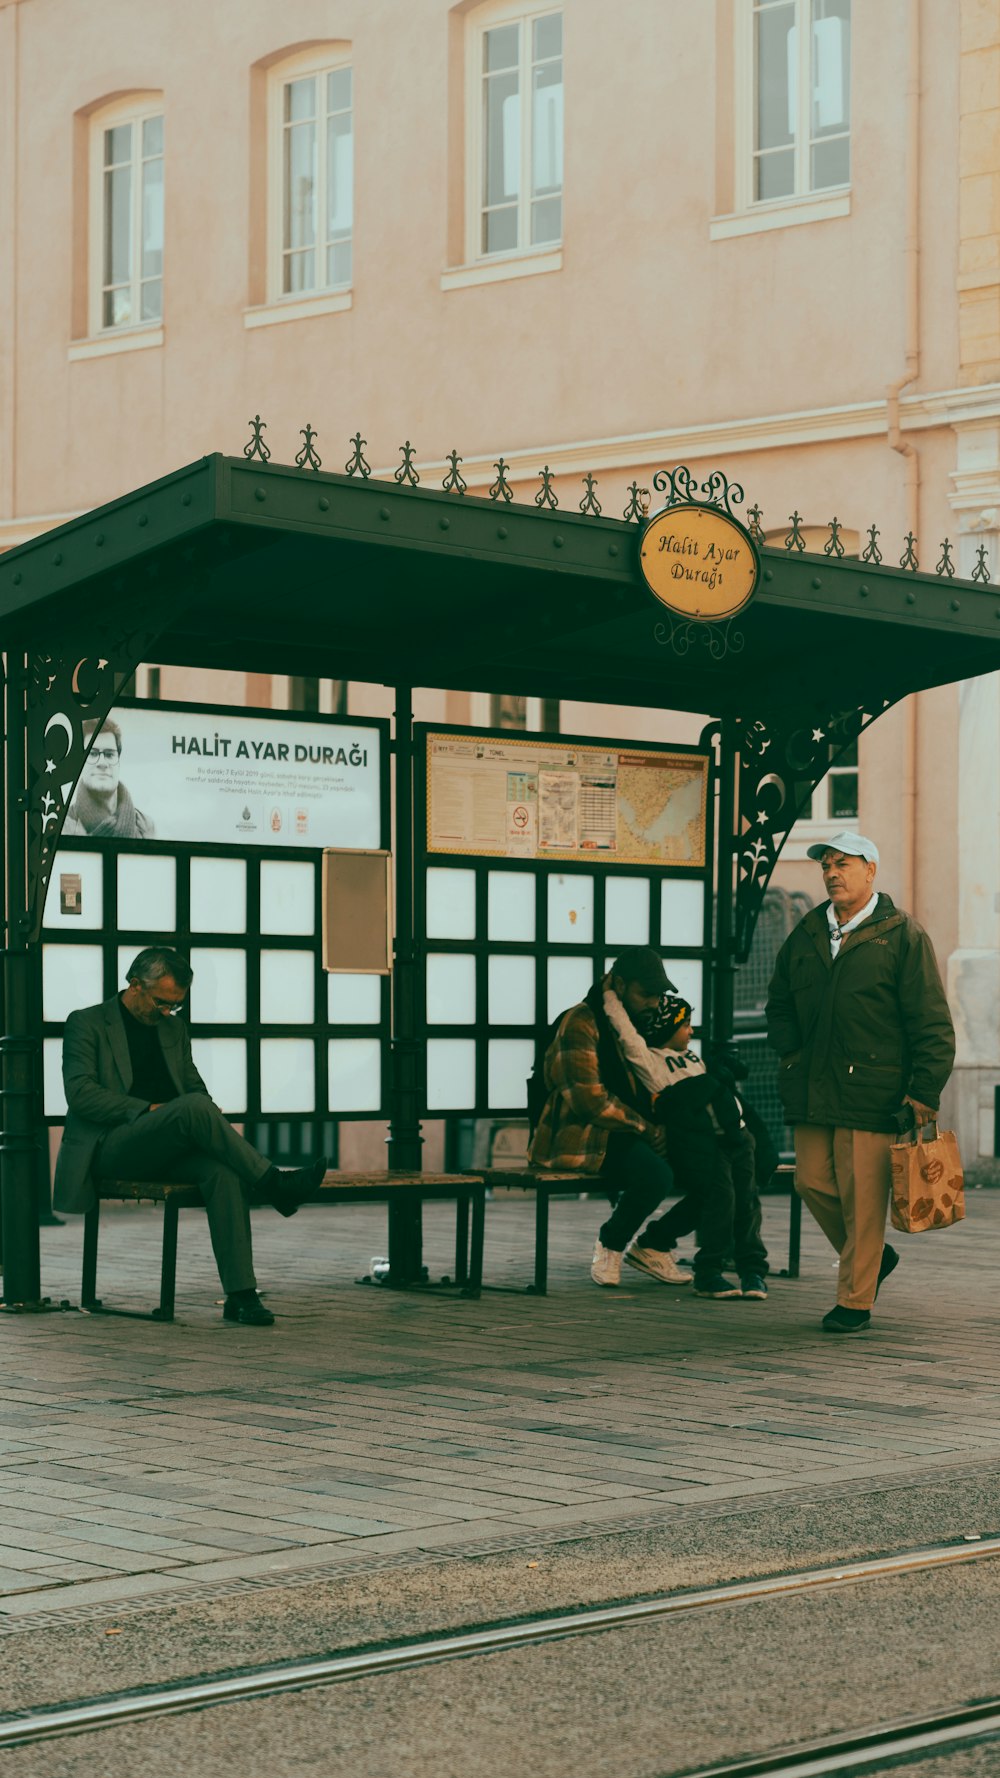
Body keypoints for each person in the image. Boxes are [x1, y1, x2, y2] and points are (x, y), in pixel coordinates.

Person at [53, 946, 327, 1325]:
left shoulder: (172, 1028)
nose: (168, 1012)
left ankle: (241, 1296)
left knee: (223, 1170)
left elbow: (194, 1088)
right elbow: (80, 1094)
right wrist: (147, 1110)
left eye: (175, 1006)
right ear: (135, 986)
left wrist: (204, 1117)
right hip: (111, 1146)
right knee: (193, 1109)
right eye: (162, 1003)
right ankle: (273, 1182)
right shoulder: (87, 1023)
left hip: (168, 1142)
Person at [765, 831, 955, 1334]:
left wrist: (924, 1091)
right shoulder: (807, 932)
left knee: (862, 1196)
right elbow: (779, 1000)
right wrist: (791, 1052)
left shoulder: (902, 936)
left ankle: (855, 1300)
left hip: (875, 1089)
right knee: (811, 1182)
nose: (832, 872)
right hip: (813, 1085)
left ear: (871, 870)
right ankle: (875, 1259)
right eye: (826, 864)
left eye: (843, 863)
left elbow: (932, 1023)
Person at [528, 945, 695, 1288]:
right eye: (646, 994)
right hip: (583, 1135)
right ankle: (611, 1244)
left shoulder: (635, 1025)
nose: (653, 1003)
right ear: (618, 985)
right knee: (656, 1175)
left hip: (630, 1132)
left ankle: (654, 1246)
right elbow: (588, 1100)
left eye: (659, 995)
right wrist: (648, 1129)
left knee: (716, 1167)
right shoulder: (581, 1021)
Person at [604, 988, 770, 1300]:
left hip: (736, 1134)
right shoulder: (651, 1062)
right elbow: (628, 1036)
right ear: (667, 1028)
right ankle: (708, 1273)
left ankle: (752, 1272)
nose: (691, 1031)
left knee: (747, 1202)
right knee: (721, 1201)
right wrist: (611, 997)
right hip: (707, 1142)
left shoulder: (692, 1059)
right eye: (684, 1025)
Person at [64, 717, 154, 838]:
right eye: (93, 753)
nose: (102, 763)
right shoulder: (62, 826)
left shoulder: (146, 826)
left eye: (109, 754)